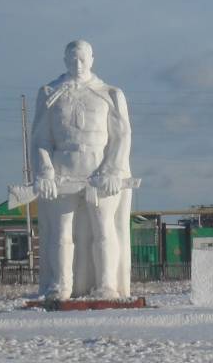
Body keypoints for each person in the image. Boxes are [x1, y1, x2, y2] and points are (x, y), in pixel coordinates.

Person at [31, 40, 133, 300]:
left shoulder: (109, 94)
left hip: (99, 171)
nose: (77, 65)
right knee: (61, 232)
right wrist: (45, 172)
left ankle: (107, 284)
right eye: (72, 59)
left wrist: (112, 170)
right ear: (65, 60)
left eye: (82, 59)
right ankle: (59, 286)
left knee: (104, 229)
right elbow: (40, 139)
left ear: (92, 59)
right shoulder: (49, 93)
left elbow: (121, 137)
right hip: (62, 170)